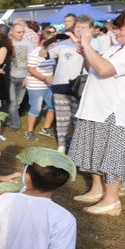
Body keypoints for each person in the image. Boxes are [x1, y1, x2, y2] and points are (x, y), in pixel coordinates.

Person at [69, 9, 125, 216]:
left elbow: (105, 70)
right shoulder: (121, 45)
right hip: (98, 106)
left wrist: (88, 45)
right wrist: (86, 52)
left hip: (116, 110)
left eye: (122, 27)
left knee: (112, 156)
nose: (116, 31)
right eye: (116, 26)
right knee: (96, 150)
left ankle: (111, 200)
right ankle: (97, 189)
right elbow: (95, 66)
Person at [49, 15, 89, 153]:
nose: (80, 30)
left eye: (84, 27)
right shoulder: (63, 44)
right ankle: (62, 145)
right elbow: (45, 54)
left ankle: (80, 147)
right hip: (61, 84)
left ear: (91, 29)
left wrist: (81, 43)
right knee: (62, 118)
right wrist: (52, 38)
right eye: (78, 27)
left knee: (78, 118)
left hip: (80, 87)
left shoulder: (93, 44)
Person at [24, 31, 57, 140]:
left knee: (53, 106)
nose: (54, 43)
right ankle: (29, 131)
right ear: (43, 41)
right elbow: (31, 69)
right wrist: (45, 78)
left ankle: (46, 128)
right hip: (36, 86)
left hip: (49, 85)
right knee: (36, 109)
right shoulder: (35, 53)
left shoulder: (52, 53)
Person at [6, 20, 34, 131]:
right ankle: (15, 124)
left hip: (23, 77)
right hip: (11, 77)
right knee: (13, 102)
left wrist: (28, 76)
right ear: (12, 32)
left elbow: (31, 61)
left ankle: (10, 119)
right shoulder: (8, 43)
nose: (21, 34)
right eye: (18, 32)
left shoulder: (29, 44)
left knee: (17, 103)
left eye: (22, 32)